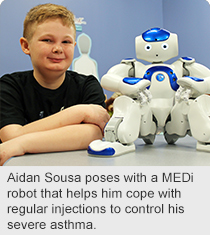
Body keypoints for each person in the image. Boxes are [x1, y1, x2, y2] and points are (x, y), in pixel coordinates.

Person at [0, 3, 110, 166]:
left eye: (66, 42)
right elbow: (11, 136)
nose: (58, 48)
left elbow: (95, 133)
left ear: (74, 46)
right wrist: (79, 112)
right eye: (47, 40)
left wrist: (23, 143)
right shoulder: (9, 86)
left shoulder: (88, 85)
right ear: (26, 45)